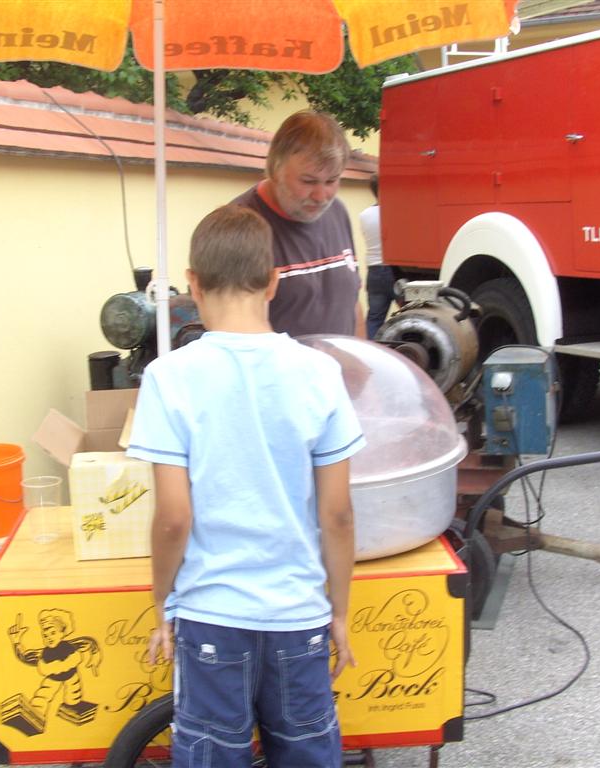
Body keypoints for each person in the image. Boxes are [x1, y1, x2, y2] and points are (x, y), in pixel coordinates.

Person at [126, 204, 366, 766]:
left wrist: (162, 602)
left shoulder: (168, 377)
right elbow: (338, 516)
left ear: (192, 284)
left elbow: (172, 519)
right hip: (298, 616)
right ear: (275, 281)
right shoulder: (319, 372)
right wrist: (341, 611)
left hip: (212, 618)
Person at [233, 110, 365, 338]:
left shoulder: (338, 212)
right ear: (275, 169)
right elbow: (234, 332)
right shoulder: (239, 228)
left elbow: (352, 305)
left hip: (338, 371)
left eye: (332, 181)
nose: (321, 196)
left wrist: (363, 362)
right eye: (308, 181)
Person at [359, 173, 395, 339]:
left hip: (374, 272)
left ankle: (370, 352)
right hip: (396, 271)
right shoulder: (396, 212)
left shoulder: (364, 215)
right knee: (413, 313)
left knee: (374, 318)